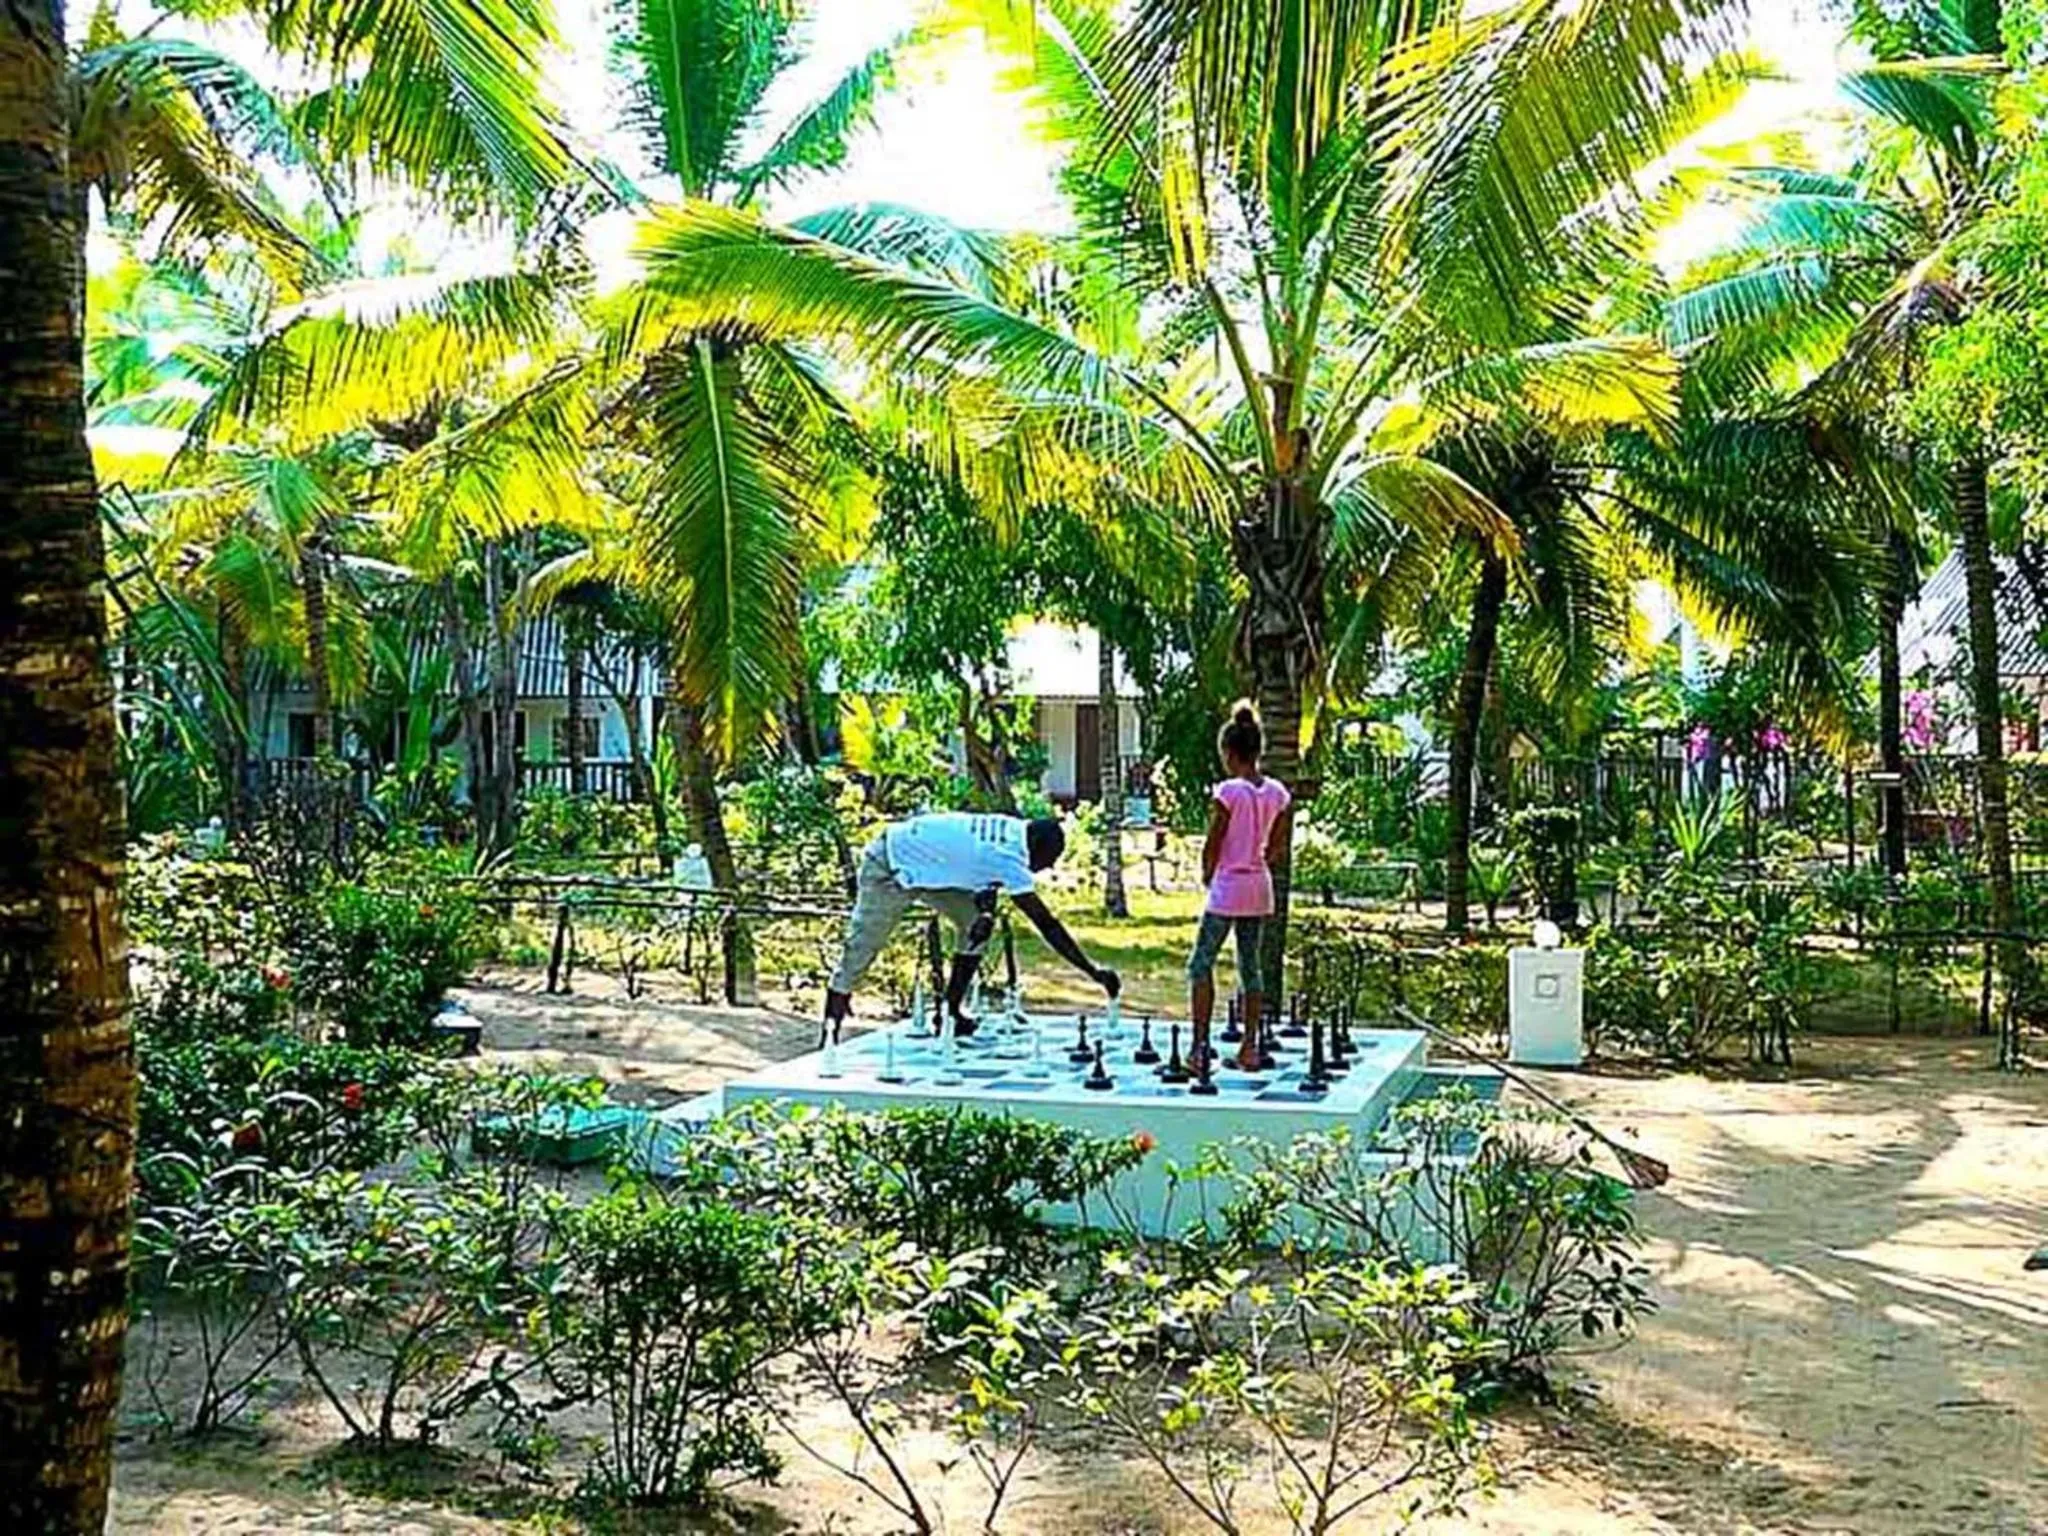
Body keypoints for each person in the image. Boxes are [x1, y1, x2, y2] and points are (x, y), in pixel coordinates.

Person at [825, 811, 1120, 1035]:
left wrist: (986, 914)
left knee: (973, 925)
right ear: (1038, 846)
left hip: (930, 869)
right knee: (862, 948)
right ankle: (830, 1031)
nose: (1050, 867)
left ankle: (950, 1013)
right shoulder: (1010, 857)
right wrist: (1092, 971)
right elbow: (1047, 925)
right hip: (889, 865)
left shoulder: (1012, 829)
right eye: (1050, 859)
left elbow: (982, 877)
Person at [1190, 703, 1292, 1072]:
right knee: (1251, 966)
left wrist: (1207, 873)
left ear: (1230, 753)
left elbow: (1214, 840)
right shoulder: (1277, 792)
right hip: (1258, 886)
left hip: (1228, 886)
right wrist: (1258, 857)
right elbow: (1278, 846)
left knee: (1200, 963)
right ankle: (1250, 1047)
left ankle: (1199, 1049)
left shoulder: (1229, 791)